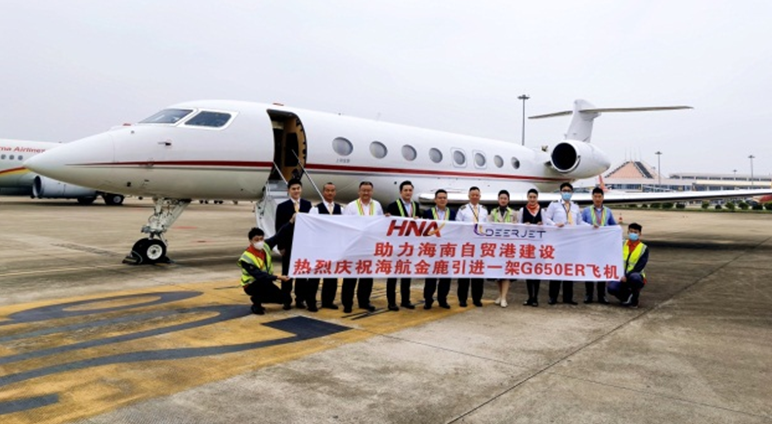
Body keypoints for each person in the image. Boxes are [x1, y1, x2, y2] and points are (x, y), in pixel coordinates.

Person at [342, 181, 384, 313]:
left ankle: (364, 301)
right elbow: (345, 225)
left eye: (368, 190)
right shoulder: (351, 206)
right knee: (350, 276)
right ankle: (347, 303)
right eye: (363, 190)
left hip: (369, 246)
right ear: (359, 192)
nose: (366, 193)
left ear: (372, 191)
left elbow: (381, 223)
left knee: (367, 276)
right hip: (354, 245)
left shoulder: (377, 205)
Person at [543, 182, 588, 305]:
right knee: (556, 268)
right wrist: (554, 224)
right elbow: (546, 218)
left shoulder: (575, 207)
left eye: (568, 191)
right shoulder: (554, 205)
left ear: (572, 193)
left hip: (572, 242)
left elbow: (579, 222)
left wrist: (592, 227)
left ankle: (568, 297)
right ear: (560, 192)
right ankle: (553, 297)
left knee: (568, 269)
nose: (566, 193)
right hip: (558, 241)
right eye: (564, 190)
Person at [274, 178, 314, 311]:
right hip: (288, 245)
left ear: (301, 189)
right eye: (293, 189)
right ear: (288, 190)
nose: (296, 191)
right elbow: (279, 228)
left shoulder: (308, 205)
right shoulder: (282, 207)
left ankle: (300, 299)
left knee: (302, 273)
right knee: (287, 273)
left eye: (298, 188)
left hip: (303, 245)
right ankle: (286, 299)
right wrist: (280, 246)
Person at [384, 181, 421, 311]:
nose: (408, 192)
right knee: (393, 276)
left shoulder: (416, 205)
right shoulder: (393, 206)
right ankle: (391, 302)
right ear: (401, 192)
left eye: (410, 190)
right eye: (405, 190)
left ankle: (405, 300)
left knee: (406, 275)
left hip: (409, 246)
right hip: (396, 246)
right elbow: (388, 225)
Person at [238, 227, 291, 315]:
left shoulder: (266, 246)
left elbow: (278, 236)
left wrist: (290, 222)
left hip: (266, 281)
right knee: (261, 285)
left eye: (261, 239)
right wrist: (278, 277)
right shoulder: (246, 257)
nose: (260, 242)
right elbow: (259, 275)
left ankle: (259, 298)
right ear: (250, 241)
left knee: (284, 299)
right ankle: (256, 302)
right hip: (251, 284)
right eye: (256, 240)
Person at [580, 187, 618, 304]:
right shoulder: (586, 211)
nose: (597, 199)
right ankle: (589, 295)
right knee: (590, 270)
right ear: (592, 197)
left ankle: (602, 295)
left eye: (599, 196)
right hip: (590, 245)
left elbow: (613, 226)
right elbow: (580, 224)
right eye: (595, 196)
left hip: (603, 246)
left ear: (603, 198)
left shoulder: (608, 211)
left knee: (602, 270)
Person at [309, 182, 343, 310]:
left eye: (332, 190)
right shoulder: (315, 209)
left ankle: (328, 301)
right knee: (315, 277)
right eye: (327, 190)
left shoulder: (341, 209)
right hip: (319, 248)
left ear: (335, 192)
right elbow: (312, 228)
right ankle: (311, 302)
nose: (330, 193)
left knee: (331, 276)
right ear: (323, 192)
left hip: (334, 248)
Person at [422, 189, 456, 310]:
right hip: (433, 249)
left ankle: (442, 299)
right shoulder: (428, 213)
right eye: (440, 198)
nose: (442, 200)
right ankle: (428, 300)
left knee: (445, 276)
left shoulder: (452, 214)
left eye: (444, 198)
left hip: (447, 249)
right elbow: (423, 229)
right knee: (431, 276)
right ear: (435, 200)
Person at [455, 186, 488, 307]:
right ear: (469, 196)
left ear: (480, 196)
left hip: (479, 245)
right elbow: (458, 225)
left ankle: (477, 298)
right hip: (466, 245)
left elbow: (487, 226)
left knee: (478, 271)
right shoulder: (463, 209)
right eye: (472, 195)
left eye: (477, 195)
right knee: (464, 273)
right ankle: (462, 299)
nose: (474, 197)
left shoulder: (484, 210)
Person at [608, 223, 648, 307]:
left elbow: (640, 266)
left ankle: (635, 299)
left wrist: (626, 276)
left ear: (640, 234)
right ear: (628, 232)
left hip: (634, 274)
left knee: (635, 278)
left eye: (635, 232)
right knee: (611, 288)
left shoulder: (643, 248)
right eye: (631, 231)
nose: (633, 234)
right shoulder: (621, 244)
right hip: (620, 274)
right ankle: (626, 297)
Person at [517, 188, 545, 307]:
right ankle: (529, 297)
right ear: (527, 198)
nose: (532, 199)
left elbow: (547, 225)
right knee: (528, 272)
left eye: (534, 197)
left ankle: (535, 297)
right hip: (527, 245)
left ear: (537, 198)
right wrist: (524, 225)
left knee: (537, 272)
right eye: (530, 197)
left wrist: (542, 225)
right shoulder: (522, 210)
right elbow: (519, 226)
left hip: (538, 246)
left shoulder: (542, 211)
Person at [489, 189, 515, 308]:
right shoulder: (493, 212)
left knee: (506, 273)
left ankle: (504, 297)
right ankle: (500, 295)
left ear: (508, 200)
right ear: (498, 199)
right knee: (497, 273)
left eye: (505, 198)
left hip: (509, 246)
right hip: (496, 247)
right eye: (501, 198)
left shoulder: (514, 213)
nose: (503, 200)